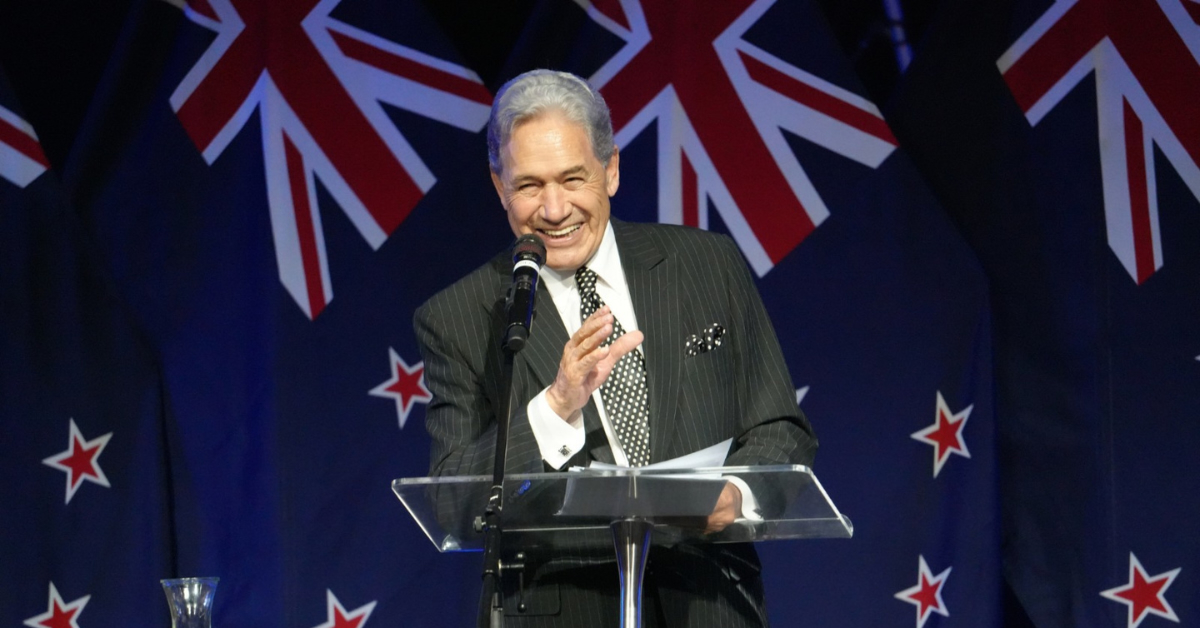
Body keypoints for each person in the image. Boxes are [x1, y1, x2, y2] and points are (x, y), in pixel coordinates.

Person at [414, 69, 817, 628]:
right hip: (562, 610)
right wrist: (556, 407)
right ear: (499, 185)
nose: (554, 209)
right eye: (529, 185)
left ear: (611, 170)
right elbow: (453, 503)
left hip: (708, 603)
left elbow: (780, 428)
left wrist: (738, 493)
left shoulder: (707, 265)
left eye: (572, 178)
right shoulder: (460, 317)